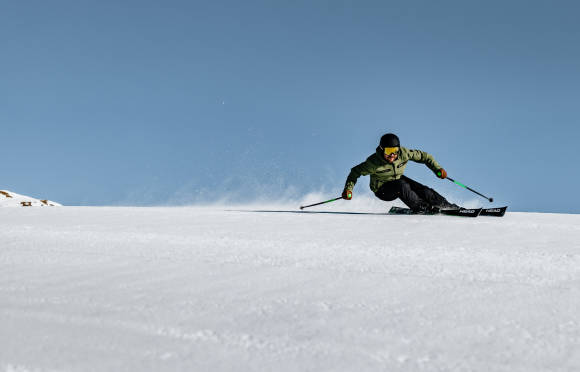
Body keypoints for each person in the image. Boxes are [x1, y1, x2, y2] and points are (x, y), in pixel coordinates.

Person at [342, 133, 459, 213]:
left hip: (398, 180)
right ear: (382, 149)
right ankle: (422, 208)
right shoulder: (373, 162)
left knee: (423, 190)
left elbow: (425, 157)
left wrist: (437, 169)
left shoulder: (404, 153)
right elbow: (355, 172)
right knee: (402, 186)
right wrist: (348, 189)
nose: (392, 155)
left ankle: (447, 206)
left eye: (395, 151)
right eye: (389, 151)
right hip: (382, 190)